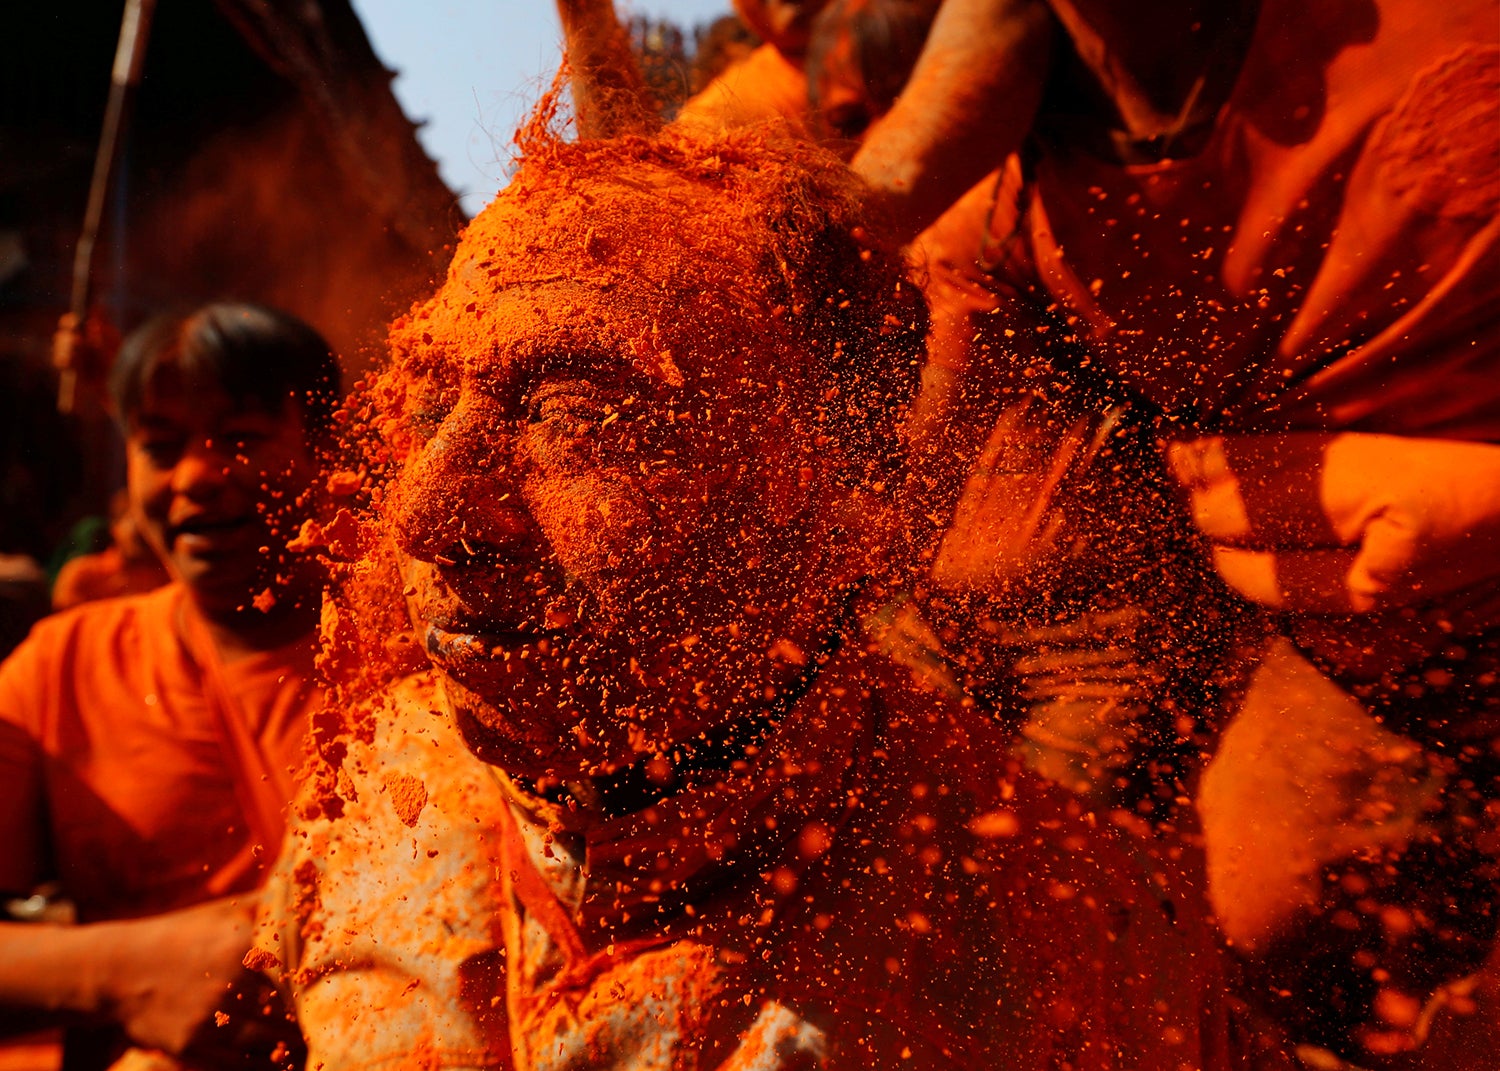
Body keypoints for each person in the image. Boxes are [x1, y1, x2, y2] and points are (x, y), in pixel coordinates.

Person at [251, 37, 1276, 1061]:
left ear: (847, 493)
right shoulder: (378, 789)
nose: (429, 513)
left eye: (578, 417)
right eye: (431, 404)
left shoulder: (1056, 956)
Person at [840, 0, 1500, 1061]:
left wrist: (1488, 502)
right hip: (1349, 657)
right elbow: (897, 469)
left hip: (1443, 597)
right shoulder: (1022, 182)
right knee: (1256, 916)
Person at [0, 302, 340, 1070]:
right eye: (160, 446)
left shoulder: (431, 656)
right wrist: (126, 972)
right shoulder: (63, 666)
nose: (195, 476)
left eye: (241, 437)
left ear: (330, 448)